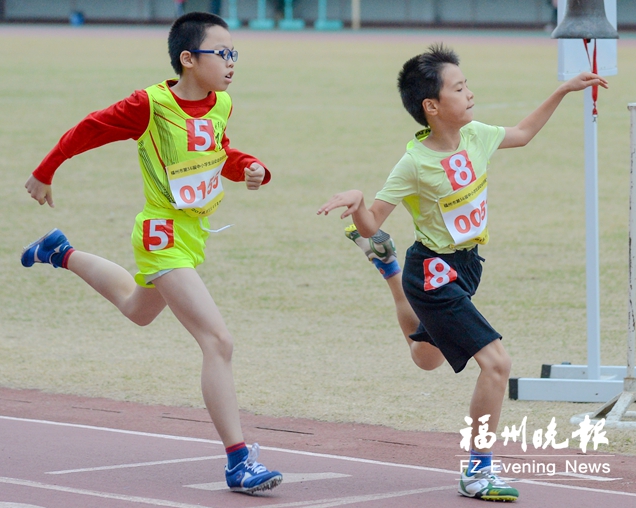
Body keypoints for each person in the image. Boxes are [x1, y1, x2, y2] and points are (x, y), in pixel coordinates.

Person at [317, 43, 608, 502]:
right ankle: (477, 471)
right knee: (496, 364)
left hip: (467, 267)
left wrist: (564, 91)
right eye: (459, 87)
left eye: (466, 83)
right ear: (431, 106)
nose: (469, 93)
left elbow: (525, 133)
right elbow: (372, 223)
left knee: (426, 359)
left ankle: (388, 269)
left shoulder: (477, 135)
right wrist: (357, 202)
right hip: (432, 272)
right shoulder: (414, 164)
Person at [21, 12, 282, 495]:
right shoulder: (151, 105)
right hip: (161, 233)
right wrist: (46, 169)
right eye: (221, 54)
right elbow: (90, 128)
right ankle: (238, 460)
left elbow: (219, 153)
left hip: (193, 234)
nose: (231, 63)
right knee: (218, 341)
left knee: (137, 310)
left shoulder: (221, 102)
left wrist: (252, 167)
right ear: (188, 58)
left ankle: (60, 252)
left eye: (234, 54)